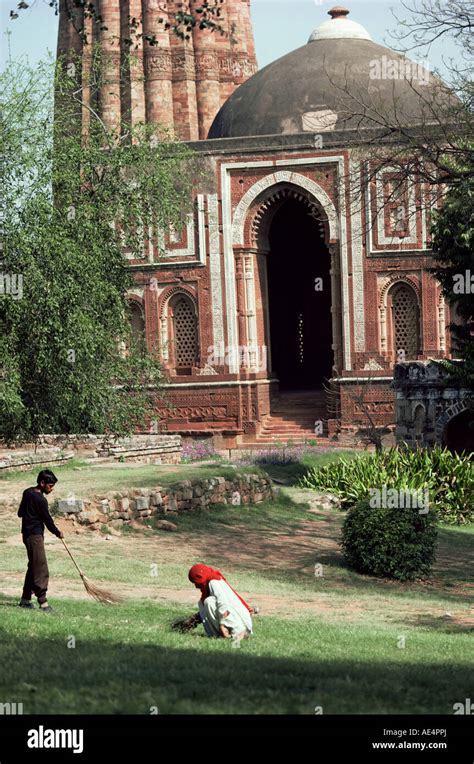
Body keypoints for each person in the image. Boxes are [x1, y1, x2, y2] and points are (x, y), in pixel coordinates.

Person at [18, 469, 64, 613]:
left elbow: (20, 513)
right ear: (42, 483)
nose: (51, 489)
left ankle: (25, 599)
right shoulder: (40, 500)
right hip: (35, 536)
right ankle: (43, 602)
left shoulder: (27, 492)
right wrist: (57, 532)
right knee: (41, 567)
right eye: (50, 486)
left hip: (26, 534)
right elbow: (47, 520)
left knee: (33, 566)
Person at [188, 564, 253, 640]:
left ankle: (233, 634)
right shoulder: (212, 580)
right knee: (202, 603)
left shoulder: (213, 582)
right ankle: (215, 635)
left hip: (240, 625)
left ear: (200, 576)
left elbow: (223, 603)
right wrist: (193, 620)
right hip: (235, 618)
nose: (196, 586)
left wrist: (222, 624)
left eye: (195, 581)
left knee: (209, 602)